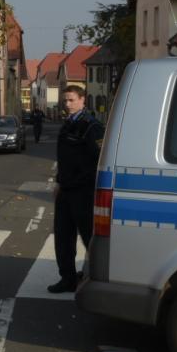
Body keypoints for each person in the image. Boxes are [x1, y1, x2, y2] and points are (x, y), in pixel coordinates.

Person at [49, 85, 104, 294]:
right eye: (65, 101)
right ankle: (68, 278)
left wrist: (78, 183)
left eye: (71, 100)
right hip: (65, 190)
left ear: (82, 100)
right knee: (63, 237)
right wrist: (59, 181)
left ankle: (96, 276)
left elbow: (97, 161)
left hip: (83, 192)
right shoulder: (68, 125)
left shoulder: (91, 127)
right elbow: (65, 159)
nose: (67, 104)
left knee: (89, 237)